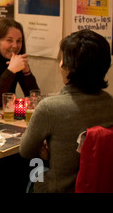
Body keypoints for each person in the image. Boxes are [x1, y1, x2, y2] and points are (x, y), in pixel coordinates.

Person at [20, 29, 113, 193]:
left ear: (69, 68)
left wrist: (45, 153)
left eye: (62, 59)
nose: (60, 64)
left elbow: (26, 151)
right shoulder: (109, 103)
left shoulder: (50, 108)